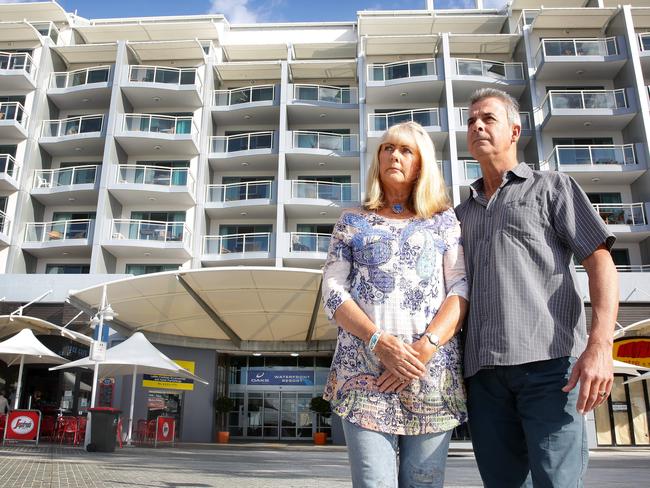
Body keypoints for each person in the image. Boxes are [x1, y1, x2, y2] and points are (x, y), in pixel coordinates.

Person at [455, 87, 619, 488]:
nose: (476, 125)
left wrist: (600, 346)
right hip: (483, 376)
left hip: (551, 368)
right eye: (471, 120)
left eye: (488, 118)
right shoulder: (459, 215)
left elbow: (600, 262)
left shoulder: (552, 187)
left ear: (514, 130)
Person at [321, 121, 469, 488]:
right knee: (374, 483)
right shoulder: (352, 220)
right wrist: (378, 342)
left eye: (405, 150)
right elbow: (333, 288)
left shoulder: (443, 220)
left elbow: (459, 289)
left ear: (421, 164)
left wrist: (422, 350)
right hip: (364, 374)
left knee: (424, 481)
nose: (393, 155)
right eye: (387, 148)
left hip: (430, 374)